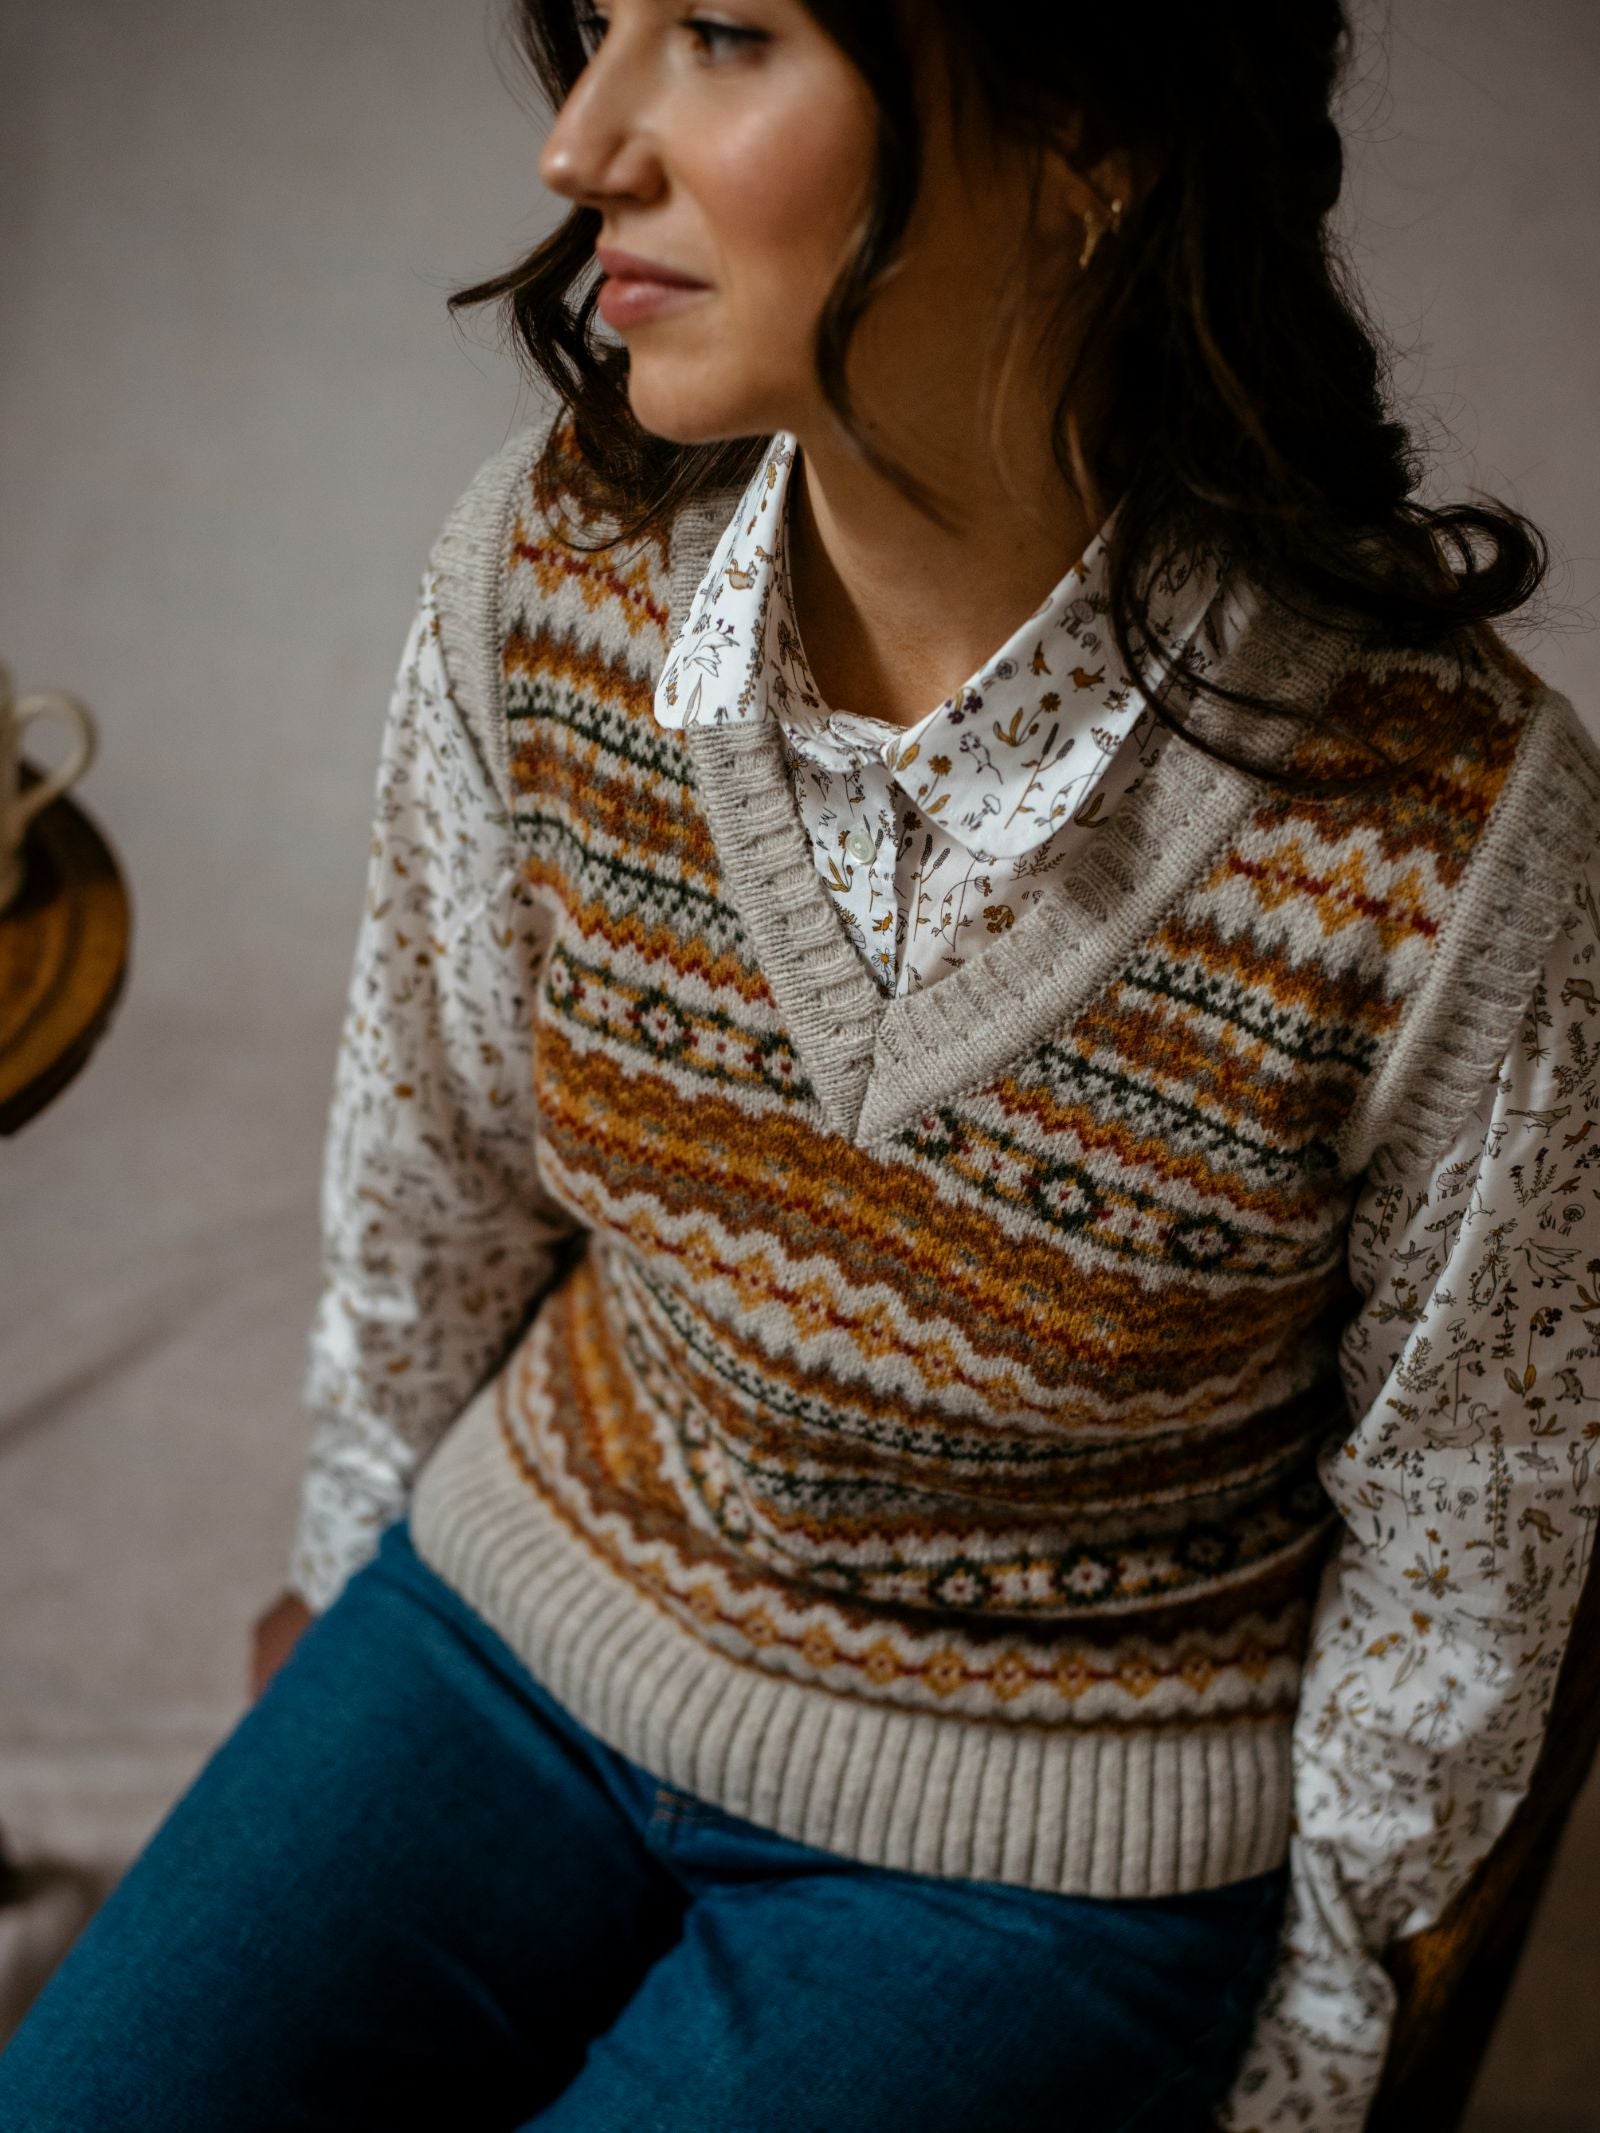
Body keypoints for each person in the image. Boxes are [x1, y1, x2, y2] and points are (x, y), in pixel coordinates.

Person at [2, 1, 1596, 2128]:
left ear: (1093, 128)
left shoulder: (1452, 837)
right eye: (601, 28)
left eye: (725, 33)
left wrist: (1306, 2064)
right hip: (518, 1614)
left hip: (1035, 1849)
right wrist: (349, 1568)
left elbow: (1466, 1529)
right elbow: (435, 1164)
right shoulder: (539, 575)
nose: (580, 144)